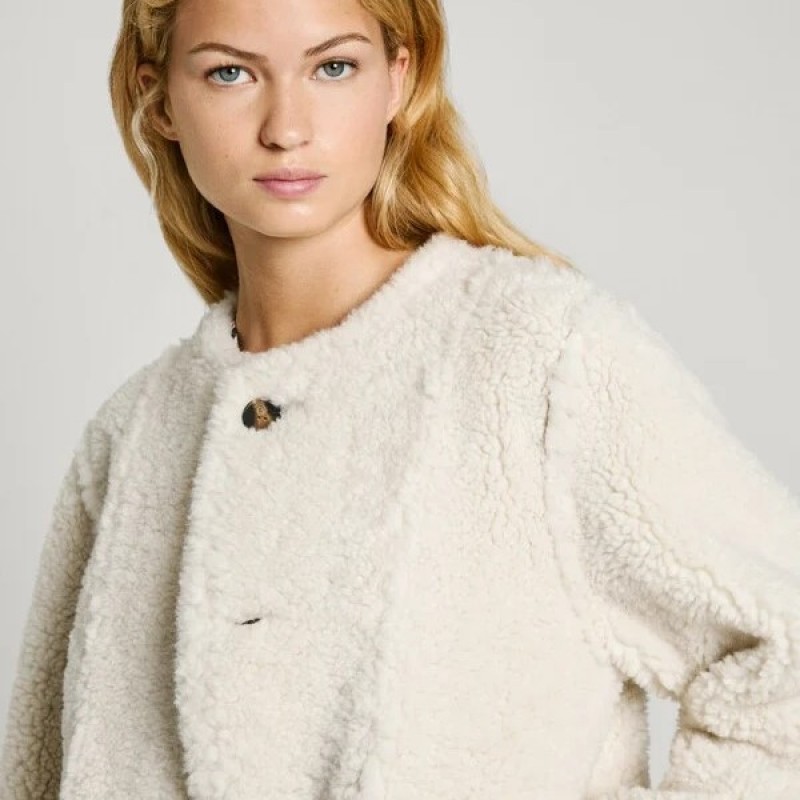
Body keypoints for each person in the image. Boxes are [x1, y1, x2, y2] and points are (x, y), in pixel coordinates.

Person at [2, 0, 799, 797]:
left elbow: (784, 658)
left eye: (333, 67)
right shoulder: (131, 434)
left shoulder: (541, 360)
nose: (287, 127)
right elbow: (37, 766)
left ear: (398, 80)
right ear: (161, 101)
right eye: (231, 73)